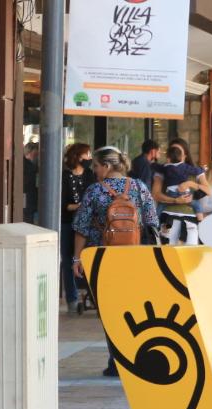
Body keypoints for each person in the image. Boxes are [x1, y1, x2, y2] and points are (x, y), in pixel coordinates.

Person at [72, 146, 159, 377]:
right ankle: (134, 358)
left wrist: (77, 258)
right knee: (134, 309)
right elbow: (152, 223)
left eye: (96, 166)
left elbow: (81, 227)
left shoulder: (94, 190)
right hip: (135, 258)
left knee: (110, 311)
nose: (94, 171)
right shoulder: (139, 187)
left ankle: (116, 362)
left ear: (107, 166)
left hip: (103, 258)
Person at [60, 142, 95, 311]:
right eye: (87, 154)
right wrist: (77, 206)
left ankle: (91, 295)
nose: (89, 158)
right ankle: (72, 298)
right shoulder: (64, 176)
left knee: (87, 257)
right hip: (68, 222)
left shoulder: (90, 174)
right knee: (68, 259)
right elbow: (61, 203)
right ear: (78, 156)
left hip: (87, 222)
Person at [152, 143, 207, 244]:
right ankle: (202, 224)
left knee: (187, 249)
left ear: (185, 155)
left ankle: (154, 223)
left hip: (188, 217)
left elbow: (208, 190)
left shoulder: (165, 168)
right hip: (170, 215)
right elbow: (155, 194)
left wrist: (190, 183)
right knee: (168, 246)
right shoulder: (188, 168)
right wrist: (175, 200)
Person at [23, 140, 40, 223]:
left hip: (28, 199)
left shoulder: (23, 164)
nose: (37, 156)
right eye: (35, 154)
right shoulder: (31, 167)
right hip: (30, 200)